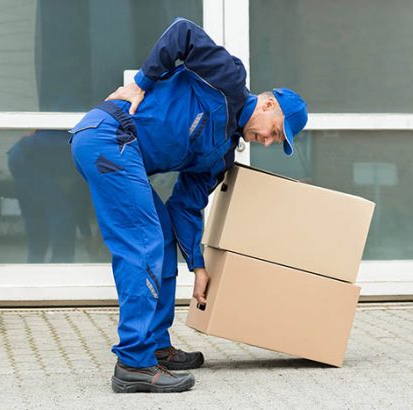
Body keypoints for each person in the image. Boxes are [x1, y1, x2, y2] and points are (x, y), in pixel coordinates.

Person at [69, 18, 308, 393]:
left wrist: (197, 266)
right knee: (143, 242)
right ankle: (133, 362)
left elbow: (185, 207)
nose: (266, 141)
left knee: (162, 236)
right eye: (275, 131)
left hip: (121, 153)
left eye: (275, 142)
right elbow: (181, 32)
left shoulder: (221, 156)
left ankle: (156, 348)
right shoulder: (228, 79)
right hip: (107, 136)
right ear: (267, 103)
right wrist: (139, 83)